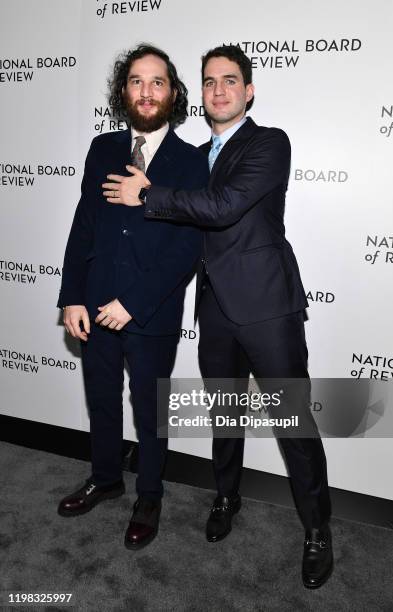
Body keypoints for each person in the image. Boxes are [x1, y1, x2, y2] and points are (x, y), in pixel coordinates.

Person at [102, 45, 333, 588]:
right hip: (215, 312)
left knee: (293, 424)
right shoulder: (197, 154)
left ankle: (317, 529)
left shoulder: (269, 143)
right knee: (225, 417)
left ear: (248, 91)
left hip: (267, 309)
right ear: (200, 94)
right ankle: (226, 497)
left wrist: (149, 193)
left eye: (230, 81)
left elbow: (225, 206)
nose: (220, 90)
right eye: (209, 82)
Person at [57, 44, 208, 551]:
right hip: (95, 304)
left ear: (173, 93)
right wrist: (72, 295)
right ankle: (105, 477)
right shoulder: (102, 148)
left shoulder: (191, 161)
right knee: (101, 399)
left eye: (157, 82)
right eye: (137, 81)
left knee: (149, 411)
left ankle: (149, 495)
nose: (146, 91)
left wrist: (135, 303)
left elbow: (187, 248)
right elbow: (85, 224)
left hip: (151, 311)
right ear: (124, 91)